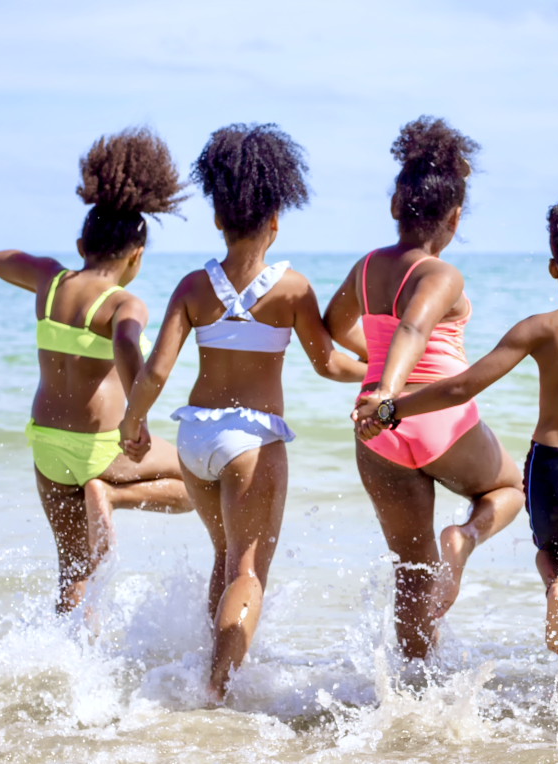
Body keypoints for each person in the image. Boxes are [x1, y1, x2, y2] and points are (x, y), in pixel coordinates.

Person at [356, 194, 558, 705]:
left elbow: (463, 386)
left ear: (555, 267)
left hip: (549, 467)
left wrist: (392, 409)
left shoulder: (537, 328)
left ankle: (556, 582)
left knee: (551, 550)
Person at [118, 124, 365, 705]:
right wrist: (378, 368)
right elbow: (328, 363)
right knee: (248, 572)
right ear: (276, 219)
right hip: (250, 439)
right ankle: (214, 691)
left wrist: (133, 425)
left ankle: (212, 668)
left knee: (226, 559)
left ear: (217, 219)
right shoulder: (291, 289)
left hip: (196, 438)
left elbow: (154, 371)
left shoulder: (192, 287)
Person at [322, 116, 525, 660]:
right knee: (510, 490)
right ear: (455, 218)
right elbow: (415, 326)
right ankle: (465, 539)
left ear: (394, 205)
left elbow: (334, 326)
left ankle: (414, 686)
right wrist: (390, 392)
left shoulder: (366, 269)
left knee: (410, 569)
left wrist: (372, 377)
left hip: (377, 431)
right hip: (430, 417)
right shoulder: (443, 275)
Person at [0, 127, 193, 615]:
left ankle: (69, 664)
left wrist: (49, 268)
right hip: (100, 449)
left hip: (47, 444)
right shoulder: (124, 301)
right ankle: (113, 497)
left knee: (73, 567)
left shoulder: (50, 282)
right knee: (199, 479)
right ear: (137, 256)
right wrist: (135, 419)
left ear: (82, 243)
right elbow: (125, 341)